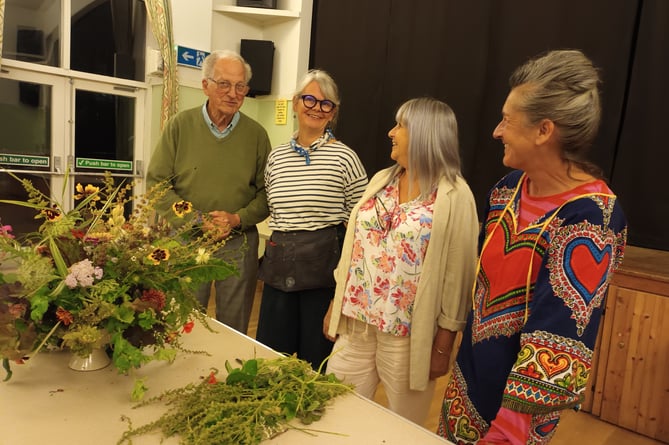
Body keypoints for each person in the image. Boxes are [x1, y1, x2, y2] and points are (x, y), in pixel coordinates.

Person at [438, 49, 628, 444]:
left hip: (516, 417)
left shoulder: (592, 219)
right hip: (467, 387)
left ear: (544, 130)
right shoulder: (506, 191)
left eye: (507, 120)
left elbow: (562, 337)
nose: (496, 131)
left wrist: (509, 428)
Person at [323, 97, 479, 425]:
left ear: (424, 134)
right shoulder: (383, 179)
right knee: (336, 411)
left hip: (406, 335)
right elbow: (354, 249)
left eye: (400, 126)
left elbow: (458, 276)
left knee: (402, 426)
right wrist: (334, 305)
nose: (391, 132)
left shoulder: (455, 195)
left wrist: (443, 345)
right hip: (356, 325)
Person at [146, 49, 272, 334]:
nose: (232, 93)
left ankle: (229, 377)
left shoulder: (257, 136)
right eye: (224, 84)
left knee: (235, 327)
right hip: (188, 240)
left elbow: (267, 194)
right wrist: (196, 220)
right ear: (206, 85)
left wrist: (236, 219)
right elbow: (157, 183)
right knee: (182, 320)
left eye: (240, 86)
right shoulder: (180, 126)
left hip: (238, 244)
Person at [255, 69, 368, 371]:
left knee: (315, 362)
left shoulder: (345, 157)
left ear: (333, 113)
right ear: (295, 103)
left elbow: (363, 221)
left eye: (325, 103)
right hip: (278, 265)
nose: (316, 108)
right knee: (270, 358)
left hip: (323, 272)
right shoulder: (276, 157)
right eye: (310, 99)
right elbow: (273, 210)